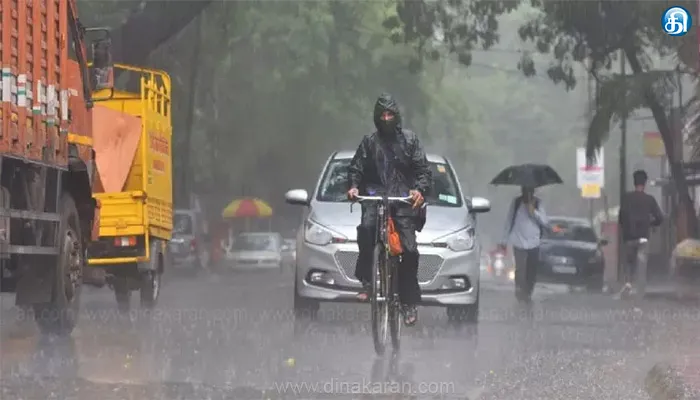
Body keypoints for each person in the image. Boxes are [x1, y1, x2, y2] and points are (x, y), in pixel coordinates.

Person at [346, 93, 432, 326]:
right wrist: (353, 187)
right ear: (376, 117)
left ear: (396, 115)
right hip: (374, 197)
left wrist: (418, 190)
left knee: (410, 251)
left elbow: (423, 171)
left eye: (389, 114)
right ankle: (367, 281)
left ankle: (408, 302)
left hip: (403, 200)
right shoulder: (369, 142)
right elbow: (356, 168)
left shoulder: (410, 140)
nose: (386, 118)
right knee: (366, 230)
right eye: (382, 115)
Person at [617, 169, 663, 298]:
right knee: (642, 264)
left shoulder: (626, 198)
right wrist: (651, 224)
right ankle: (640, 291)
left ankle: (628, 283)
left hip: (629, 237)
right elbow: (659, 218)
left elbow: (621, 218)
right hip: (643, 237)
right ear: (645, 183)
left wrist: (625, 229)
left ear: (634, 182)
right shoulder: (650, 200)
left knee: (629, 262)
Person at [498, 186, 548, 302]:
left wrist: (533, 211)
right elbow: (509, 221)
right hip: (518, 242)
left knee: (532, 270)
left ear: (533, 191)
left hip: (534, 242)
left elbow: (545, 221)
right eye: (525, 191)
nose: (527, 193)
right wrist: (504, 241)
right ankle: (520, 292)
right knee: (520, 270)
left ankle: (528, 292)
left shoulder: (538, 203)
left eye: (529, 191)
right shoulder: (516, 203)